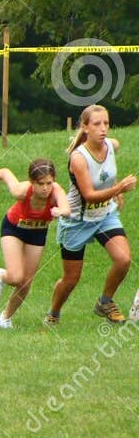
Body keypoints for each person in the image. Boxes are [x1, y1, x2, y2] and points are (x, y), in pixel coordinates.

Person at [47, 105, 135, 325]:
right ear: (85, 127)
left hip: (105, 216)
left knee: (123, 260)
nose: (103, 128)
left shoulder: (112, 145)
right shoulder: (78, 158)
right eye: (97, 124)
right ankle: (53, 314)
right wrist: (119, 189)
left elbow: (106, 171)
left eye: (106, 123)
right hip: (77, 221)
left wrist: (114, 184)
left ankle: (105, 302)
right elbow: (89, 196)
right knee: (71, 279)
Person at [0, 160, 70, 329]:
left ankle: (5, 318)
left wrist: (60, 211)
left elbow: (66, 208)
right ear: (32, 182)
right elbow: (5, 171)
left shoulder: (55, 192)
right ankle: (1, 276)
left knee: (25, 282)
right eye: (41, 184)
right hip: (13, 228)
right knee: (15, 277)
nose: (45, 188)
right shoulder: (21, 191)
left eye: (49, 183)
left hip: (37, 233)